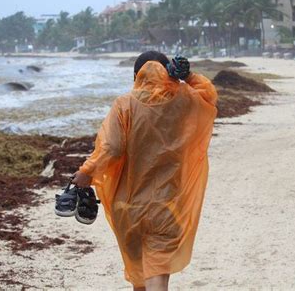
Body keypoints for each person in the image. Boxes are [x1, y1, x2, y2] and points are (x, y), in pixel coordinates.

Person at [72, 51, 217, 290]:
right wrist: (188, 76)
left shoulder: (124, 105)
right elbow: (208, 97)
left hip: (127, 207)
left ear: (135, 76)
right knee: (157, 272)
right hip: (167, 205)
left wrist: (86, 172)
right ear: (168, 73)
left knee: (139, 276)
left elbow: (111, 147)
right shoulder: (184, 101)